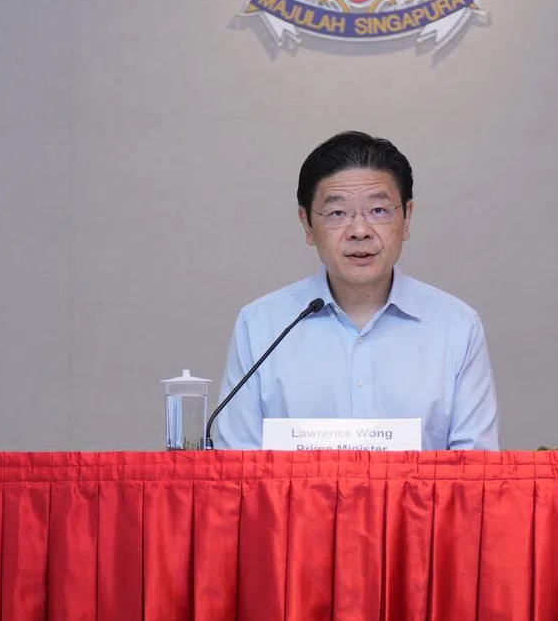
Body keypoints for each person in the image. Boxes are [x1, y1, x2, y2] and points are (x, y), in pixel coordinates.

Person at [214, 131, 499, 450]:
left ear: (406, 218)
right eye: (337, 213)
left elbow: (474, 468)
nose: (360, 231)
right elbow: (235, 463)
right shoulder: (260, 325)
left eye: (379, 211)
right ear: (307, 224)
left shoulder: (456, 326)